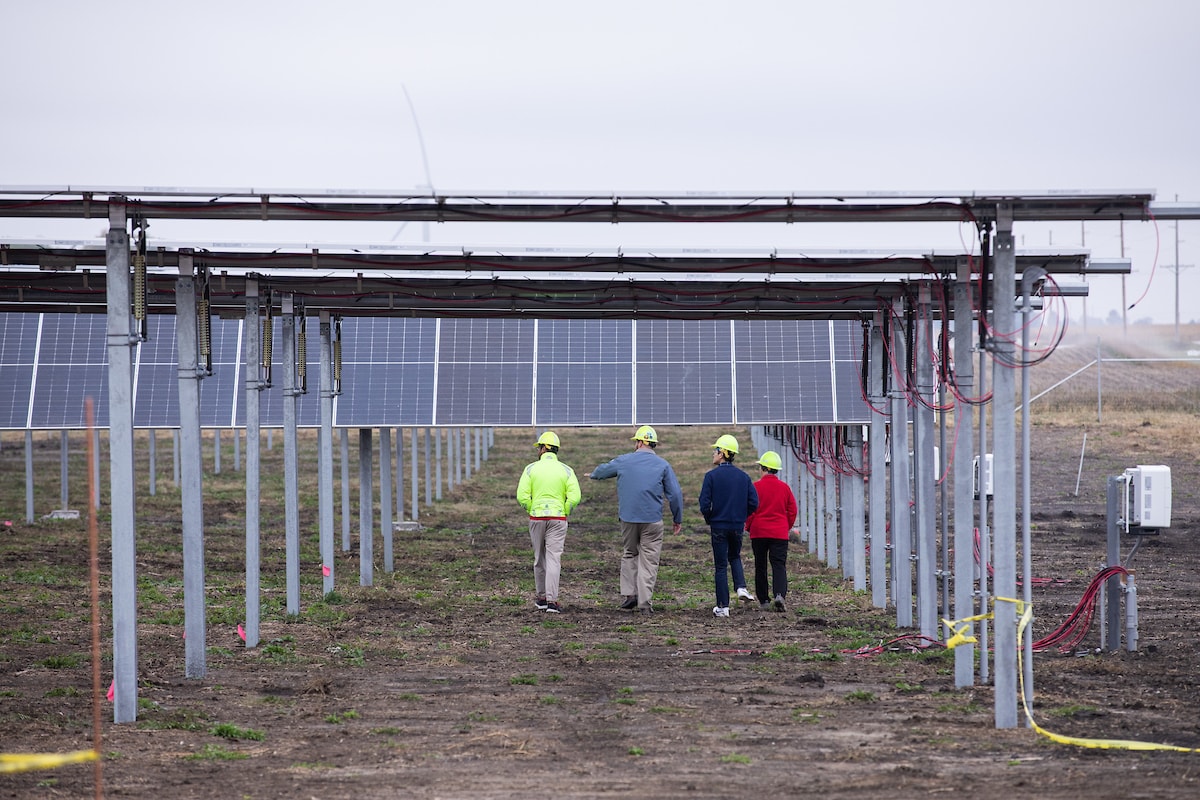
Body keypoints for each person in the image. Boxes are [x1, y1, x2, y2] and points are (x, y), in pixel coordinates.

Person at [587, 425, 683, 614]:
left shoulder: (624, 460)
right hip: (652, 520)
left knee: (630, 553)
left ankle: (630, 595)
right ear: (653, 444)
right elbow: (675, 494)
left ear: (639, 442)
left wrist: (593, 475)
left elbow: (601, 471)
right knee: (649, 560)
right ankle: (645, 603)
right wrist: (677, 518)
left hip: (628, 518)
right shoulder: (663, 465)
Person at [517, 430, 581, 613]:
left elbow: (521, 496)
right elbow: (575, 496)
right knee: (554, 558)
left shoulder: (530, 469)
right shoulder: (567, 470)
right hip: (558, 518)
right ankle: (552, 601)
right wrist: (565, 509)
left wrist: (531, 508)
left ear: (544, 448)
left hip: (537, 518)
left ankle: (542, 597)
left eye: (539, 447)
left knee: (539, 558)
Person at [699, 434, 759, 618]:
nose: (713, 453)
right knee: (735, 556)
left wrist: (711, 518)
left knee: (720, 566)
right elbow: (754, 502)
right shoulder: (744, 477)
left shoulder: (711, 476)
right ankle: (741, 587)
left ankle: (723, 607)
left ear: (722, 453)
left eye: (716, 450)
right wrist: (741, 516)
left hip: (718, 525)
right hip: (736, 525)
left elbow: (704, 503)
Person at [745, 450, 798, 612]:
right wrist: (785, 526)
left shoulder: (756, 487)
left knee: (760, 565)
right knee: (779, 565)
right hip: (779, 534)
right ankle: (780, 595)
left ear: (764, 468)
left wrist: (749, 526)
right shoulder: (785, 488)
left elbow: (750, 509)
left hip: (759, 532)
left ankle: (764, 600)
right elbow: (792, 510)